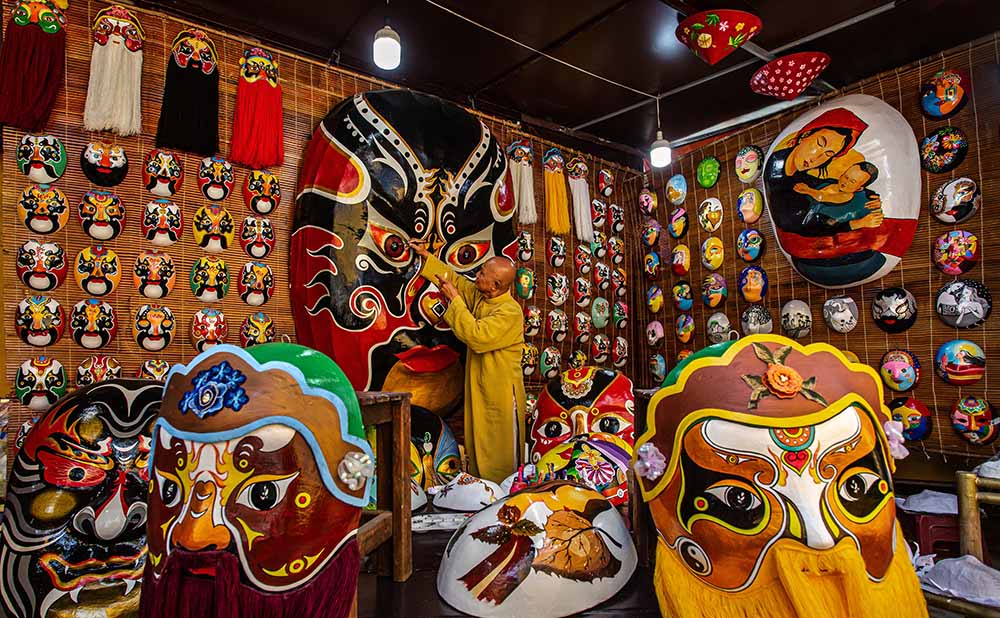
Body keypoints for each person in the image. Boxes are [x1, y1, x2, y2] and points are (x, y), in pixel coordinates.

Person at [408, 239, 526, 483]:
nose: (476, 275)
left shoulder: (510, 312)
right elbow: (455, 280)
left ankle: (501, 498)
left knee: (497, 451)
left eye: (482, 273)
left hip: (499, 393)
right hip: (482, 388)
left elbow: (477, 336)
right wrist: (426, 256)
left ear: (496, 285)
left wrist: (456, 301)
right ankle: (479, 491)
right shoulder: (483, 297)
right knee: (478, 443)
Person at [797, 161, 882, 228]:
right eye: (846, 176)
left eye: (852, 181)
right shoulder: (828, 182)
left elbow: (877, 219)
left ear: (860, 188)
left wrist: (808, 190)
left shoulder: (865, 202)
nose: (845, 182)